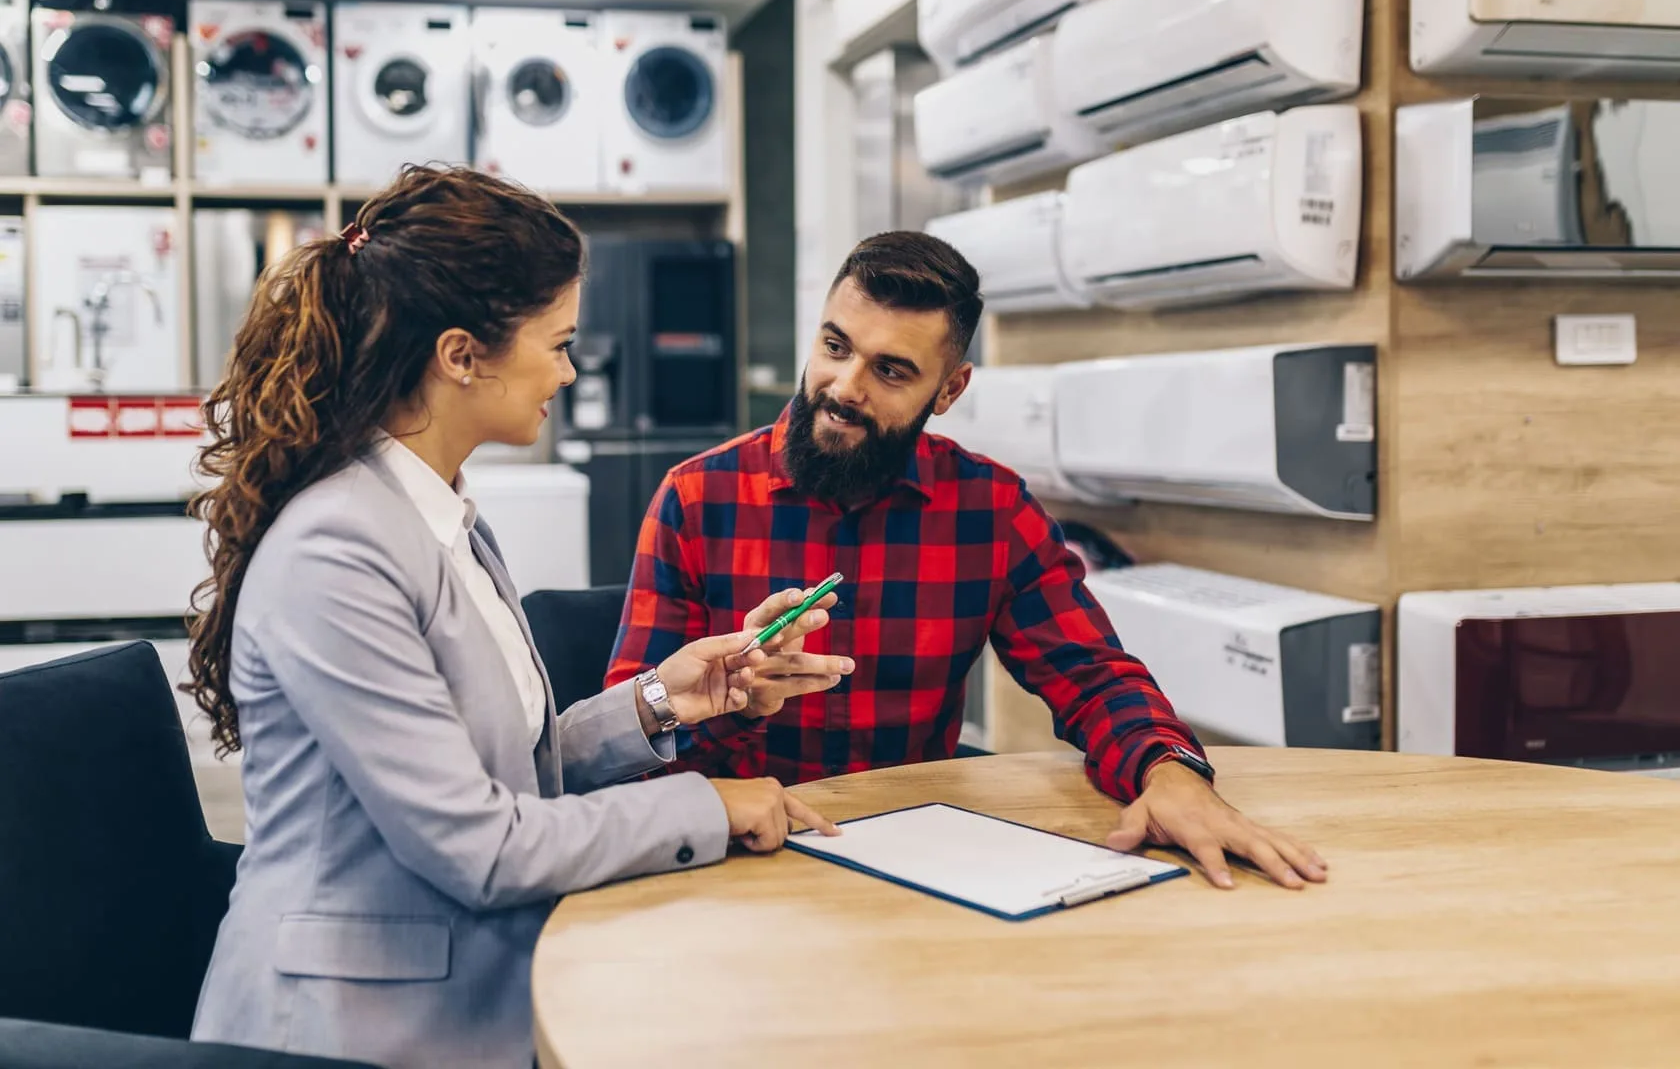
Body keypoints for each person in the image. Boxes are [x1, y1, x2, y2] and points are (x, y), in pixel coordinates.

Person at [180, 166, 849, 1069]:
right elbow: (481, 846)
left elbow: (496, 776)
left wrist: (662, 703)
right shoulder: (337, 550)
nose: (570, 371)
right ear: (461, 355)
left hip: (461, 989)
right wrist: (712, 806)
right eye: (559, 342)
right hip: (344, 1030)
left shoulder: (438, 514)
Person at [606, 231, 1328, 893]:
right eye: (834, 345)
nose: (845, 386)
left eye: (890, 370)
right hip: (732, 859)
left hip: (915, 860)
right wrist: (736, 704)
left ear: (948, 391)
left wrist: (1171, 772)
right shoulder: (696, 498)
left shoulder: (990, 509)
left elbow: (1092, 676)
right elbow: (627, 740)